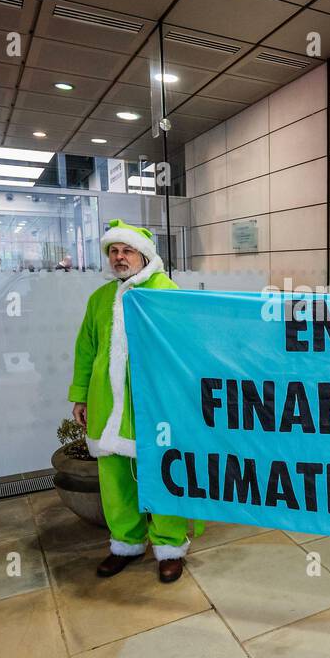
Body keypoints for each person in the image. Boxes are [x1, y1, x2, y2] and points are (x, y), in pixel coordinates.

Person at [67, 219, 195, 582]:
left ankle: (169, 545)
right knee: (115, 476)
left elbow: (184, 347)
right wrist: (80, 395)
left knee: (164, 471)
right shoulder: (100, 299)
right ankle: (125, 542)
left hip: (156, 404)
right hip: (108, 403)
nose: (120, 257)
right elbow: (85, 350)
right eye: (114, 251)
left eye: (127, 250)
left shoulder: (165, 291)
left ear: (144, 254)